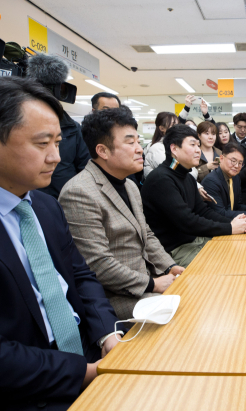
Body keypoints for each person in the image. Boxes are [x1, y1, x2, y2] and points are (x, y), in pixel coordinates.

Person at [0, 75, 120, 410]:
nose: (55, 157)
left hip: (88, 353)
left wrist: (107, 335)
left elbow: (80, 276)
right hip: (21, 386)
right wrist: (85, 372)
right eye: (42, 144)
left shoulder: (44, 204)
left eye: (58, 142)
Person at [59, 107, 184, 320]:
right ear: (103, 151)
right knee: (184, 311)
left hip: (145, 281)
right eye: (130, 142)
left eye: (138, 141)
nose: (139, 149)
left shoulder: (130, 185)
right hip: (116, 297)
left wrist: (170, 266)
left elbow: (147, 235)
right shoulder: (79, 192)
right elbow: (98, 264)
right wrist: (152, 283)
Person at [142, 125, 246, 266]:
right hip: (173, 250)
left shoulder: (187, 177)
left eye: (198, 145)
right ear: (174, 149)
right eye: (193, 145)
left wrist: (231, 222)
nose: (198, 150)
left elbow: (203, 211)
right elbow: (187, 221)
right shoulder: (161, 179)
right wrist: (230, 228)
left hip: (193, 240)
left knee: (240, 250)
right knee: (228, 263)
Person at [27, 53, 90, 199]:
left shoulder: (72, 128)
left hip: (67, 199)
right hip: (30, 198)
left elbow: (85, 167)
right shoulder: (21, 122)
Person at [202, 143, 246, 219]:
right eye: (233, 161)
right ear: (221, 158)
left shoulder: (235, 178)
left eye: (240, 163)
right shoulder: (211, 181)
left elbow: (237, 206)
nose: (236, 166)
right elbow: (220, 213)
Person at [143, 111, 179, 178]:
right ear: (162, 128)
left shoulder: (173, 145)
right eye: (173, 125)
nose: (177, 128)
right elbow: (174, 171)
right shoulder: (157, 148)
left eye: (177, 125)